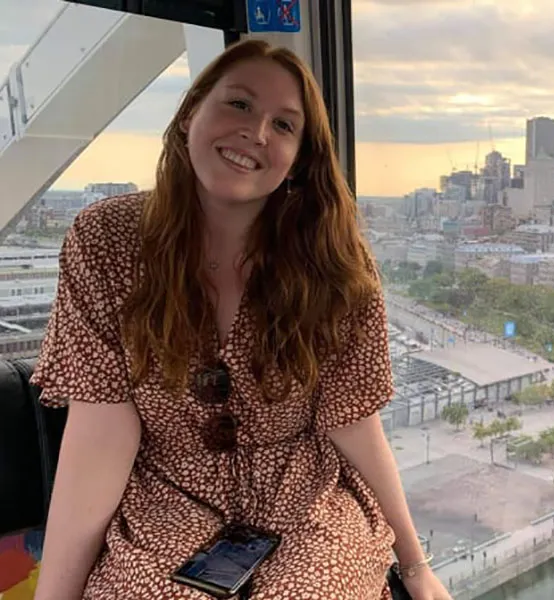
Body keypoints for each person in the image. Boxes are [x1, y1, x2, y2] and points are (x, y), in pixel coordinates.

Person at [30, 39, 452, 600]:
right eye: (239, 105)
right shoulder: (107, 241)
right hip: (167, 492)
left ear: (300, 159)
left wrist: (417, 567)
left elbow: (350, 417)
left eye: (284, 125)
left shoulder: (332, 260)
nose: (256, 133)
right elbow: (101, 433)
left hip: (304, 493)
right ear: (189, 115)